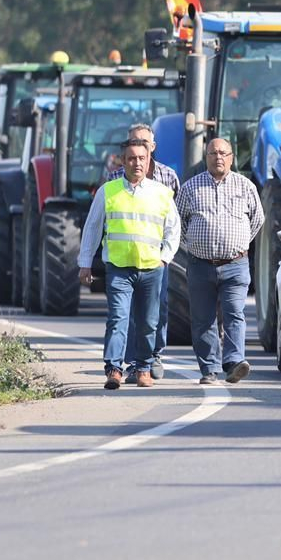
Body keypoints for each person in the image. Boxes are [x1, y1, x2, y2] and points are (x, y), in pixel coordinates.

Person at [79, 138, 180, 388]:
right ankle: (114, 368)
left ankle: (143, 368)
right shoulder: (108, 191)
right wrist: (85, 263)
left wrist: (164, 258)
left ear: (149, 162)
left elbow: (173, 230)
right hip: (119, 268)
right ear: (122, 161)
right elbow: (92, 228)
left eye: (141, 158)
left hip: (151, 269)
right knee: (118, 318)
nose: (137, 163)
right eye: (132, 158)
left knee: (148, 322)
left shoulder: (162, 193)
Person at [176, 137, 264, 385]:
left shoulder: (246, 187)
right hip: (200, 265)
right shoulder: (190, 188)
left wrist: (238, 242)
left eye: (223, 153)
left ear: (232, 157)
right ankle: (209, 369)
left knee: (235, 313)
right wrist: (194, 244)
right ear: (206, 158)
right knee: (204, 319)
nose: (219, 157)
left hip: (235, 264)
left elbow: (257, 220)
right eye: (213, 153)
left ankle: (234, 362)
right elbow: (178, 222)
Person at [104, 123, 180, 377]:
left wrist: (164, 257)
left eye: (145, 145)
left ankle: (151, 357)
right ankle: (125, 363)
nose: (138, 157)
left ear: (152, 149)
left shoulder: (168, 178)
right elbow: (101, 221)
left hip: (154, 260)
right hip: (121, 260)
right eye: (134, 144)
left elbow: (174, 222)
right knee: (122, 315)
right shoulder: (114, 181)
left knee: (155, 312)